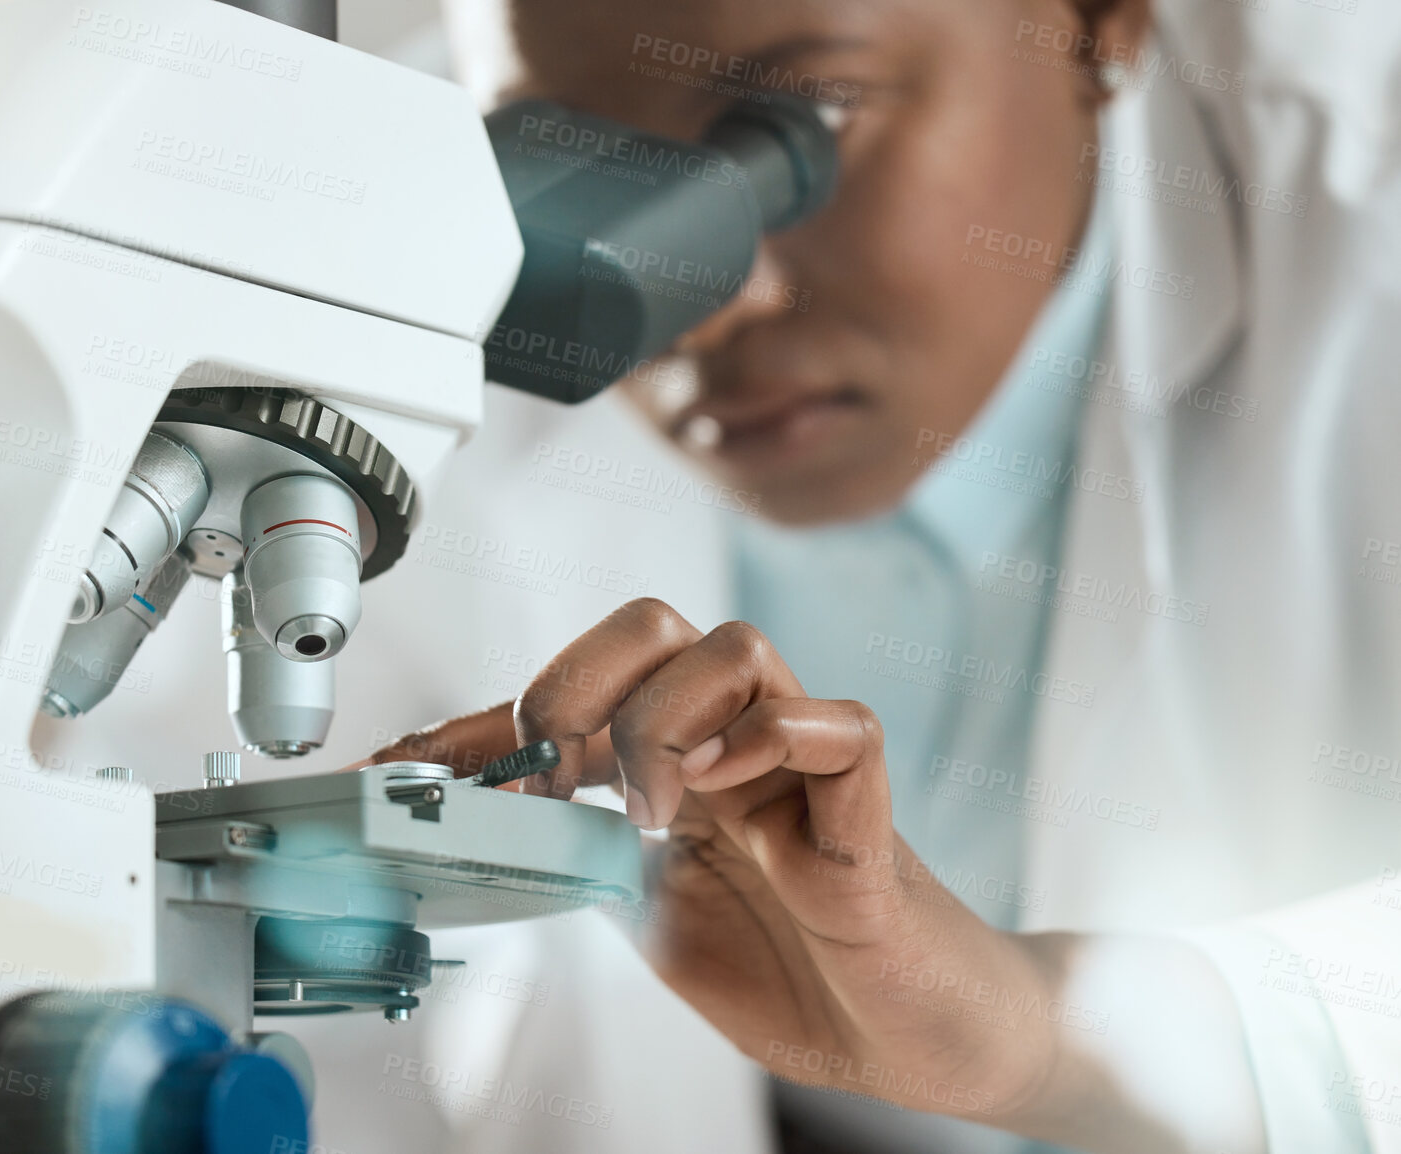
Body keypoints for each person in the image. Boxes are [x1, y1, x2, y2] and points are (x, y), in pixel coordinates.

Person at [359, 0, 1401, 1150]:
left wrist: (1056, 1034)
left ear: (1100, 23)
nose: (703, 311)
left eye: (795, 130)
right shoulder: (385, 213)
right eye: (572, 181)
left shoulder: (1366, 202)